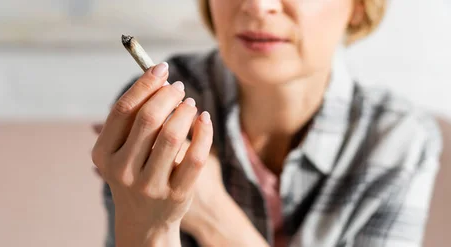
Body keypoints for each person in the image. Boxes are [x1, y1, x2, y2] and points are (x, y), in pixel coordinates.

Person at [91, 0, 442, 246]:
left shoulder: (399, 141)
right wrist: (152, 225)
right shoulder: (156, 113)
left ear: (359, 6)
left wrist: (214, 215)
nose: (258, 5)